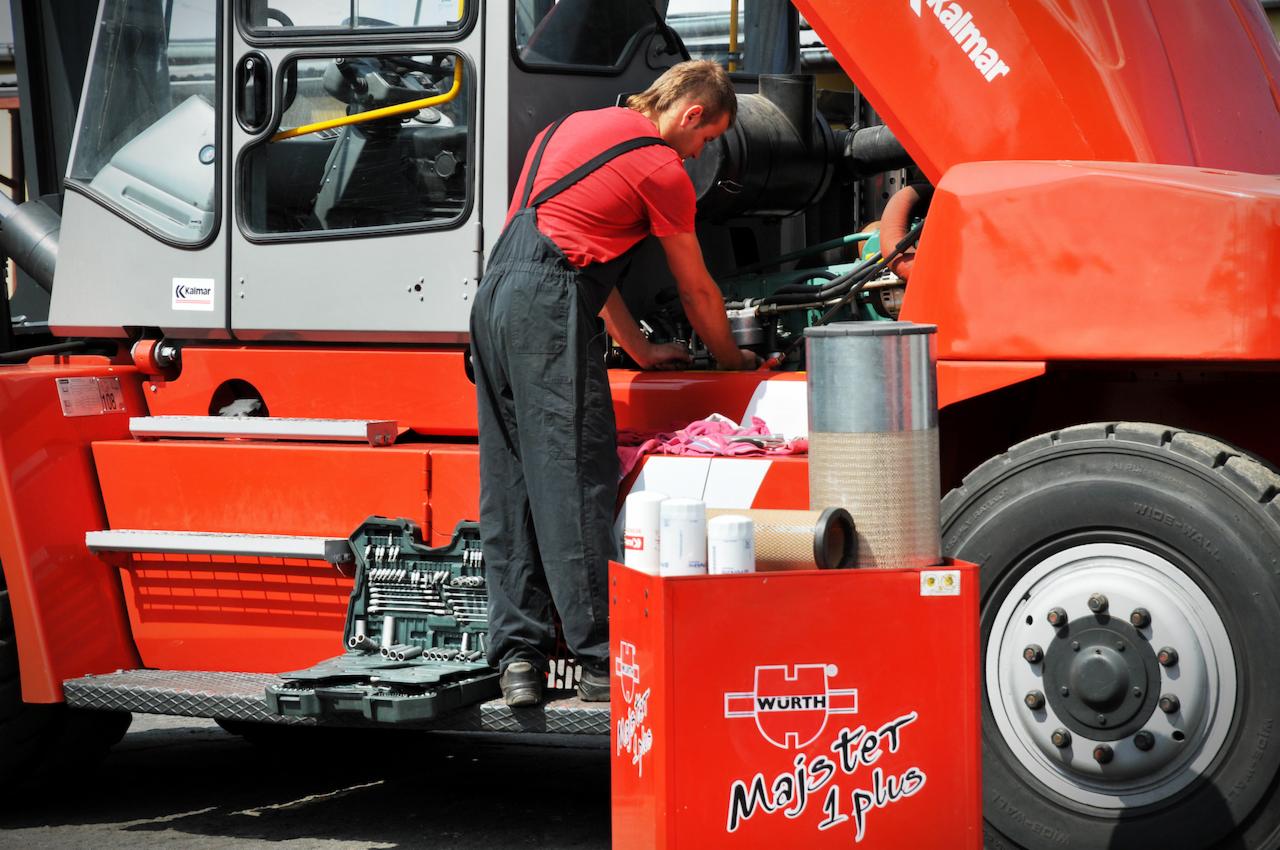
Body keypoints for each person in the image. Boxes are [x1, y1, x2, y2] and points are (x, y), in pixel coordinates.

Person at [470, 60, 758, 708]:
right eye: (707, 138)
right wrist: (731, 361)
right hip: (546, 309)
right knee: (575, 477)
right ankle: (602, 661)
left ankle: (519, 661)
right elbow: (697, 288)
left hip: (494, 299)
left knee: (512, 484)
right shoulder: (661, 167)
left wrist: (637, 348)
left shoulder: (571, 129)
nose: (700, 152)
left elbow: (567, 249)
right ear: (691, 116)